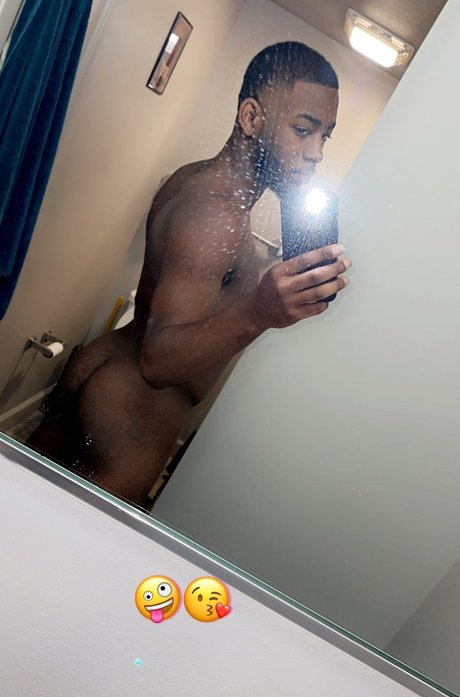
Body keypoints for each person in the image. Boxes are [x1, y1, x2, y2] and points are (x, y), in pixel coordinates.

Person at [28, 41, 352, 506]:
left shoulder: (198, 178)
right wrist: (260, 311)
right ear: (251, 118)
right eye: (303, 130)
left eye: (325, 136)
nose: (316, 153)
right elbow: (157, 362)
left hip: (104, 372)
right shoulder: (219, 214)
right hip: (129, 414)